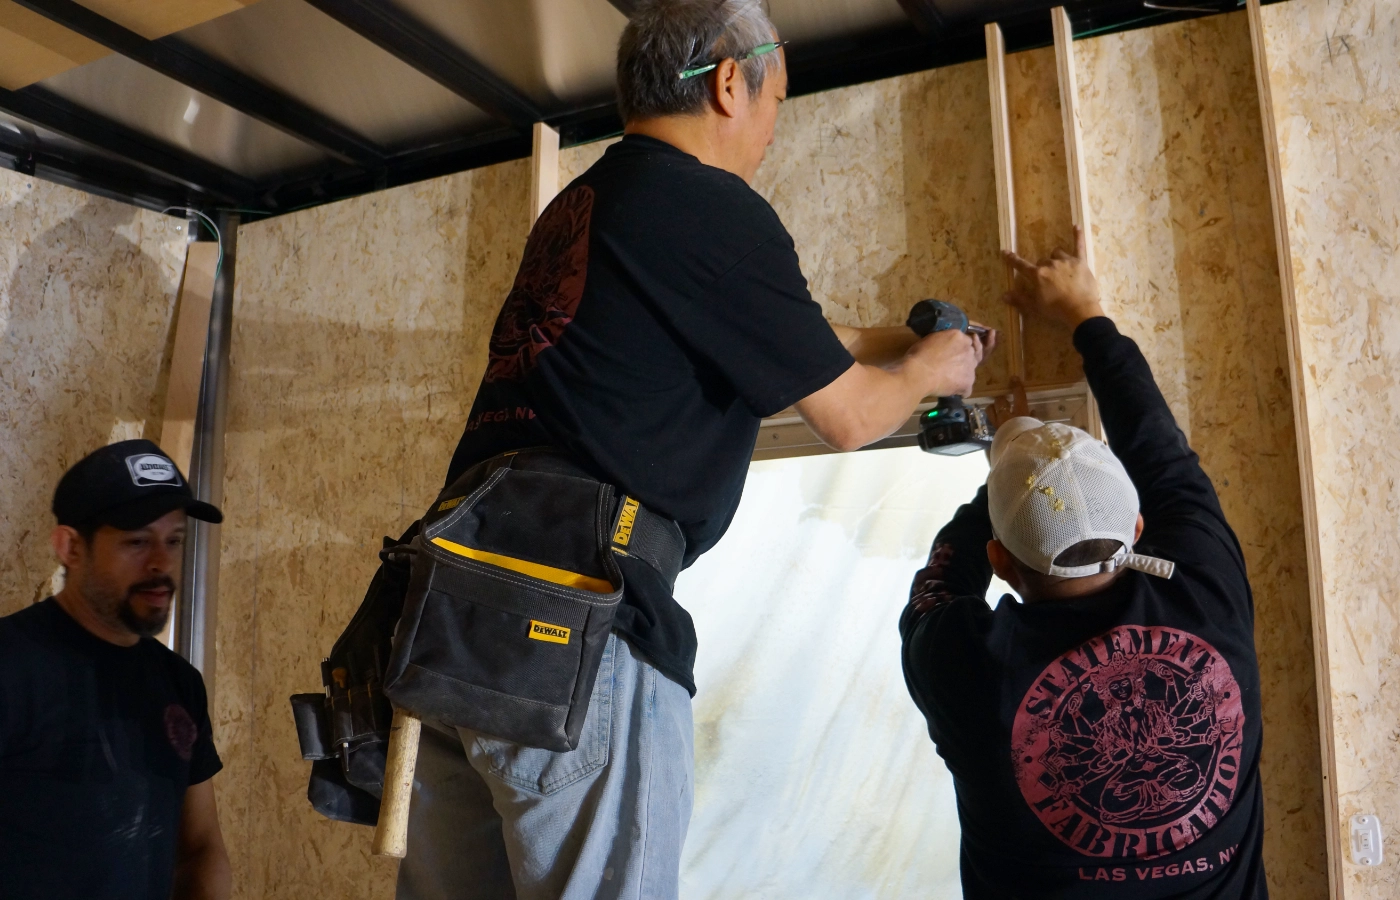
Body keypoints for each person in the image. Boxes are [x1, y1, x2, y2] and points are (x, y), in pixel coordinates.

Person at [398, 1, 994, 897]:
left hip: (454, 616)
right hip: (576, 628)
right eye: (776, 100)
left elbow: (779, 337)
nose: (772, 131)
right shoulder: (715, 209)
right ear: (727, 85)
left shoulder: (592, 202)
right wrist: (928, 369)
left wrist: (895, 342)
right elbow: (850, 418)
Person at [900, 228, 1266, 898]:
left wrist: (1006, 469)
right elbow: (1161, 453)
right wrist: (1084, 313)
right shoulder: (1206, 591)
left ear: (1000, 561)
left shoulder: (963, 665)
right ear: (1137, 528)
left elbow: (943, 576)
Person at [0, 440, 231, 900]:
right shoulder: (12, 665)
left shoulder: (179, 682)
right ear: (70, 547)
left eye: (174, 540)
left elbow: (200, 847)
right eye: (137, 541)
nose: (161, 562)